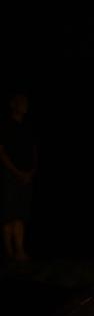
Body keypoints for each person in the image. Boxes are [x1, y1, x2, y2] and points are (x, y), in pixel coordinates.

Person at [0, 91, 38, 264]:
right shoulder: (6, 125)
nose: (25, 104)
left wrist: (31, 171)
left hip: (26, 175)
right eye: (21, 101)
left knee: (20, 214)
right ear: (13, 104)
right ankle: (10, 252)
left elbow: (34, 150)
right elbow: (1, 152)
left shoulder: (27, 127)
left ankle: (20, 250)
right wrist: (16, 172)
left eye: (25, 101)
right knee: (9, 214)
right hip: (10, 175)